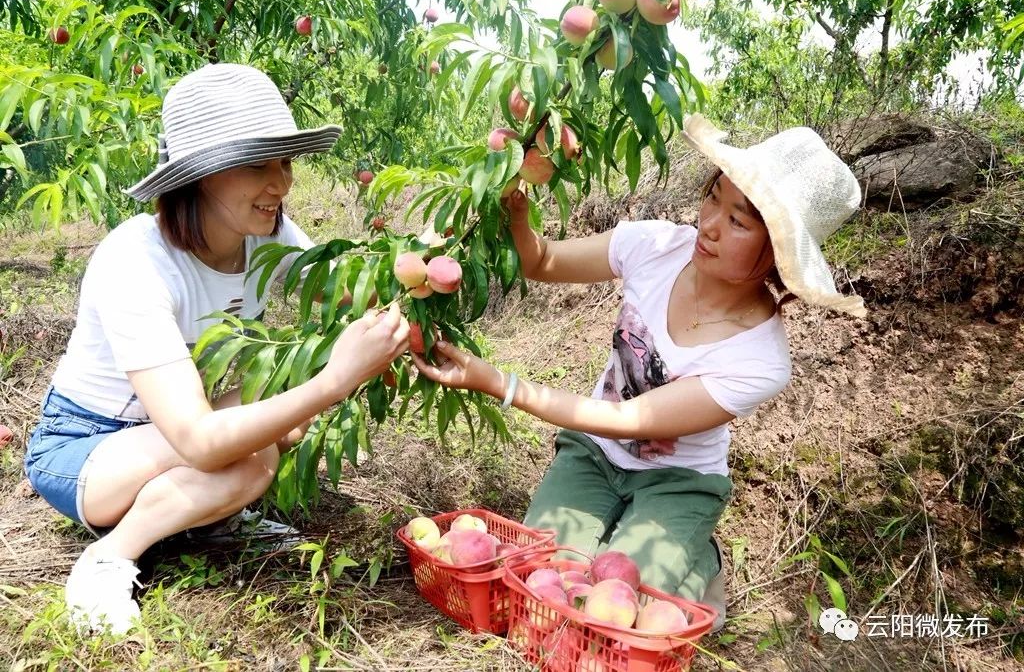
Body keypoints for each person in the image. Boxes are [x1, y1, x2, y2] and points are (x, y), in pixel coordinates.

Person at [412, 113, 865, 632]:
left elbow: (631, 418)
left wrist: (503, 385)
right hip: (594, 452)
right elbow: (543, 262)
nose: (710, 223)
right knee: (545, 583)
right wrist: (517, 214)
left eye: (739, 221)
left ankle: (698, 555)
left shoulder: (761, 360)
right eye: (714, 196)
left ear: (777, 256)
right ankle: (640, 540)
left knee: (619, 609)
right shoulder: (657, 245)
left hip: (678, 480)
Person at [23, 63, 410, 635]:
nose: (281, 183)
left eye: (284, 163)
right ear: (202, 176)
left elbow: (344, 289)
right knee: (250, 454)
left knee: (276, 432)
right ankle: (109, 556)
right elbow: (201, 441)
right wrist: (333, 381)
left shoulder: (270, 234)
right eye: (258, 164)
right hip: (85, 447)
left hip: (172, 432)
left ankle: (201, 522)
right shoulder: (137, 261)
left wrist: (424, 261)